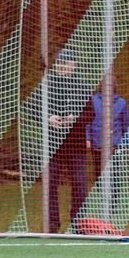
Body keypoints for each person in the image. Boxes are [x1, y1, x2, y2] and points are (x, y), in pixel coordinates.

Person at [44, 49, 90, 233]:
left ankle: (78, 223)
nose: (61, 66)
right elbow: (33, 109)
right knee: (49, 185)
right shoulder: (47, 85)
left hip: (75, 146)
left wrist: (74, 118)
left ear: (73, 64)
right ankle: (52, 223)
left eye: (64, 63)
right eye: (58, 63)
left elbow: (91, 114)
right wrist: (48, 117)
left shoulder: (82, 87)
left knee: (79, 185)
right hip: (52, 147)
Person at [85, 77, 129, 186]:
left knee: (114, 177)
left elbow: (127, 125)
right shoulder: (93, 101)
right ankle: (101, 195)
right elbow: (87, 122)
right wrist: (87, 138)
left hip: (114, 146)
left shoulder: (121, 103)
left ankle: (114, 197)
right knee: (100, 176)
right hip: (97, 146)